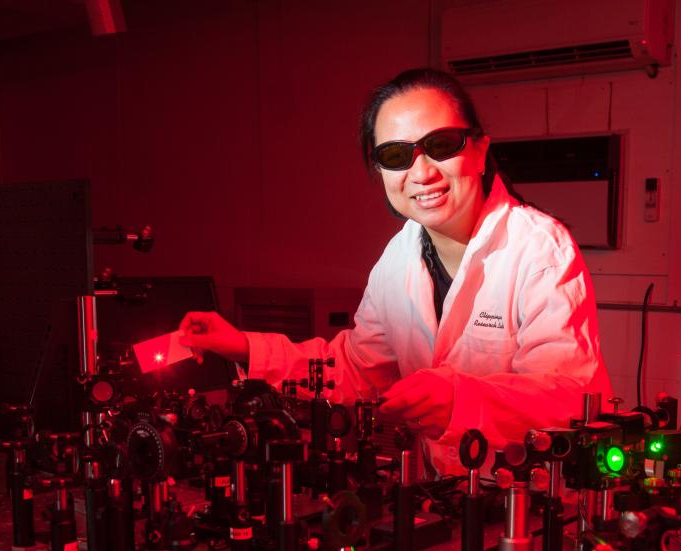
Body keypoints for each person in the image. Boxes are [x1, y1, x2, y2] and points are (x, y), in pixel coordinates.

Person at [179, 67, 610, 475]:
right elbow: (353, 368)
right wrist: (241, 347)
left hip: (531, 501)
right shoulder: (399, 257)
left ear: (479, 151)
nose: (421, 172)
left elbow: (570, 401)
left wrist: (459, 397)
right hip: (442, 495)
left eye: (441, 145)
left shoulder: (539, 248)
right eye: (396, 155)